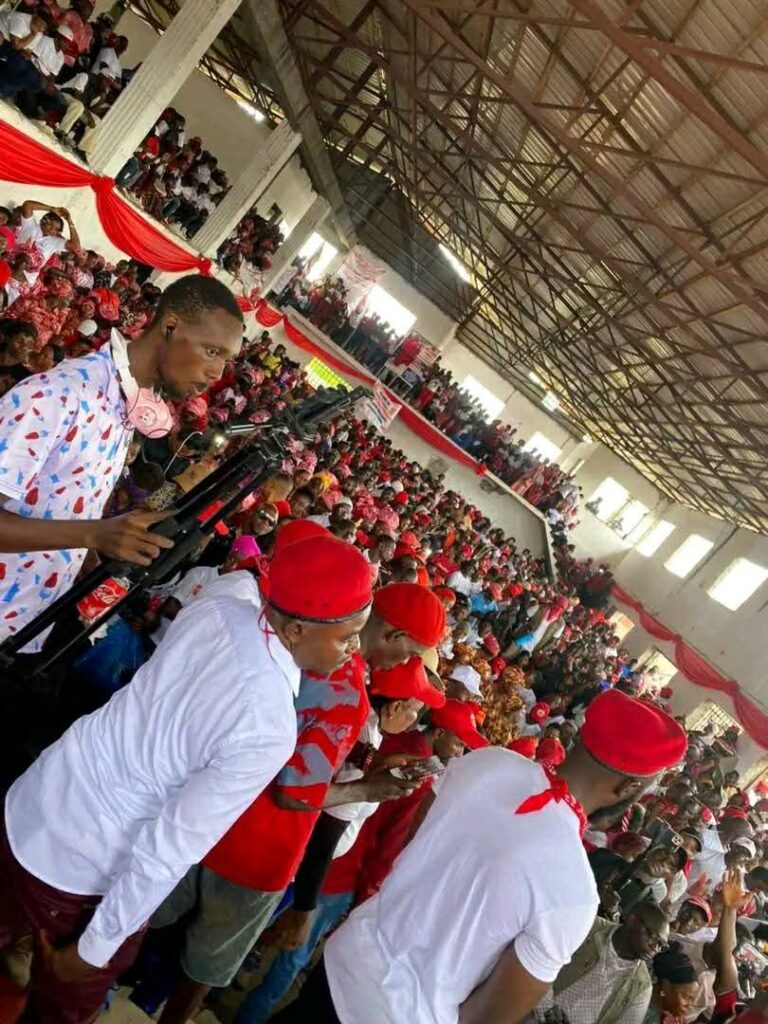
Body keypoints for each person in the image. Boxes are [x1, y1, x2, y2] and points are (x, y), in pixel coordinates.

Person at [0, 534, 374, 1023]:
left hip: (36, 799)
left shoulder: (220, 608)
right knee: (57, 1011)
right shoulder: (268, 724)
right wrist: (97, 947)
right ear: (299, 629)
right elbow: (171, 845)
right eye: (348, 636)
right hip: (83, 862)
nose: (354, 651)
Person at [271, 688, 688, 1024]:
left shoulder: (488, 762)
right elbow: (488, 1016)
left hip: (346, 962)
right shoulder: (575, 894)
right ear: (628, 790)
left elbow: (413, 846)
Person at [140, 587, 446, 1024]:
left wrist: (367, 763)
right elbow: (293, 792)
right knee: (202, 973)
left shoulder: (312, 647)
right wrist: (366, 789)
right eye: (409, 655)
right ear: (394, 636)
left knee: (143, 922)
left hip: (211, 813)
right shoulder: (349, 692)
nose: (404, 665)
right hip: (261, 854)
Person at [0, 274, 244, 649]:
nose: (217, 374)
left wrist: (93, 563)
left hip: (22, 631)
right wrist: (93, 535)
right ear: (170, 327)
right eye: (212, 351)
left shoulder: (123, 404)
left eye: (226, 360)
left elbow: (65, 505)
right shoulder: (61, 395)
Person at [540, 900, 669, 1024]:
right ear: (632, 921)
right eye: (653, 938)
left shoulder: (642, 986)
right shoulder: (589, 926)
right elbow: (543, 958)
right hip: (536, 1001)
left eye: (661, 946)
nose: (655, 949)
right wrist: (546, 1010)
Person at [642, 943, 700, 1024]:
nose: (689, 1005)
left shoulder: (676, 1019)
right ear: (666, 986)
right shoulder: (641, 1011)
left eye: (692, 999)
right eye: (686, 997)